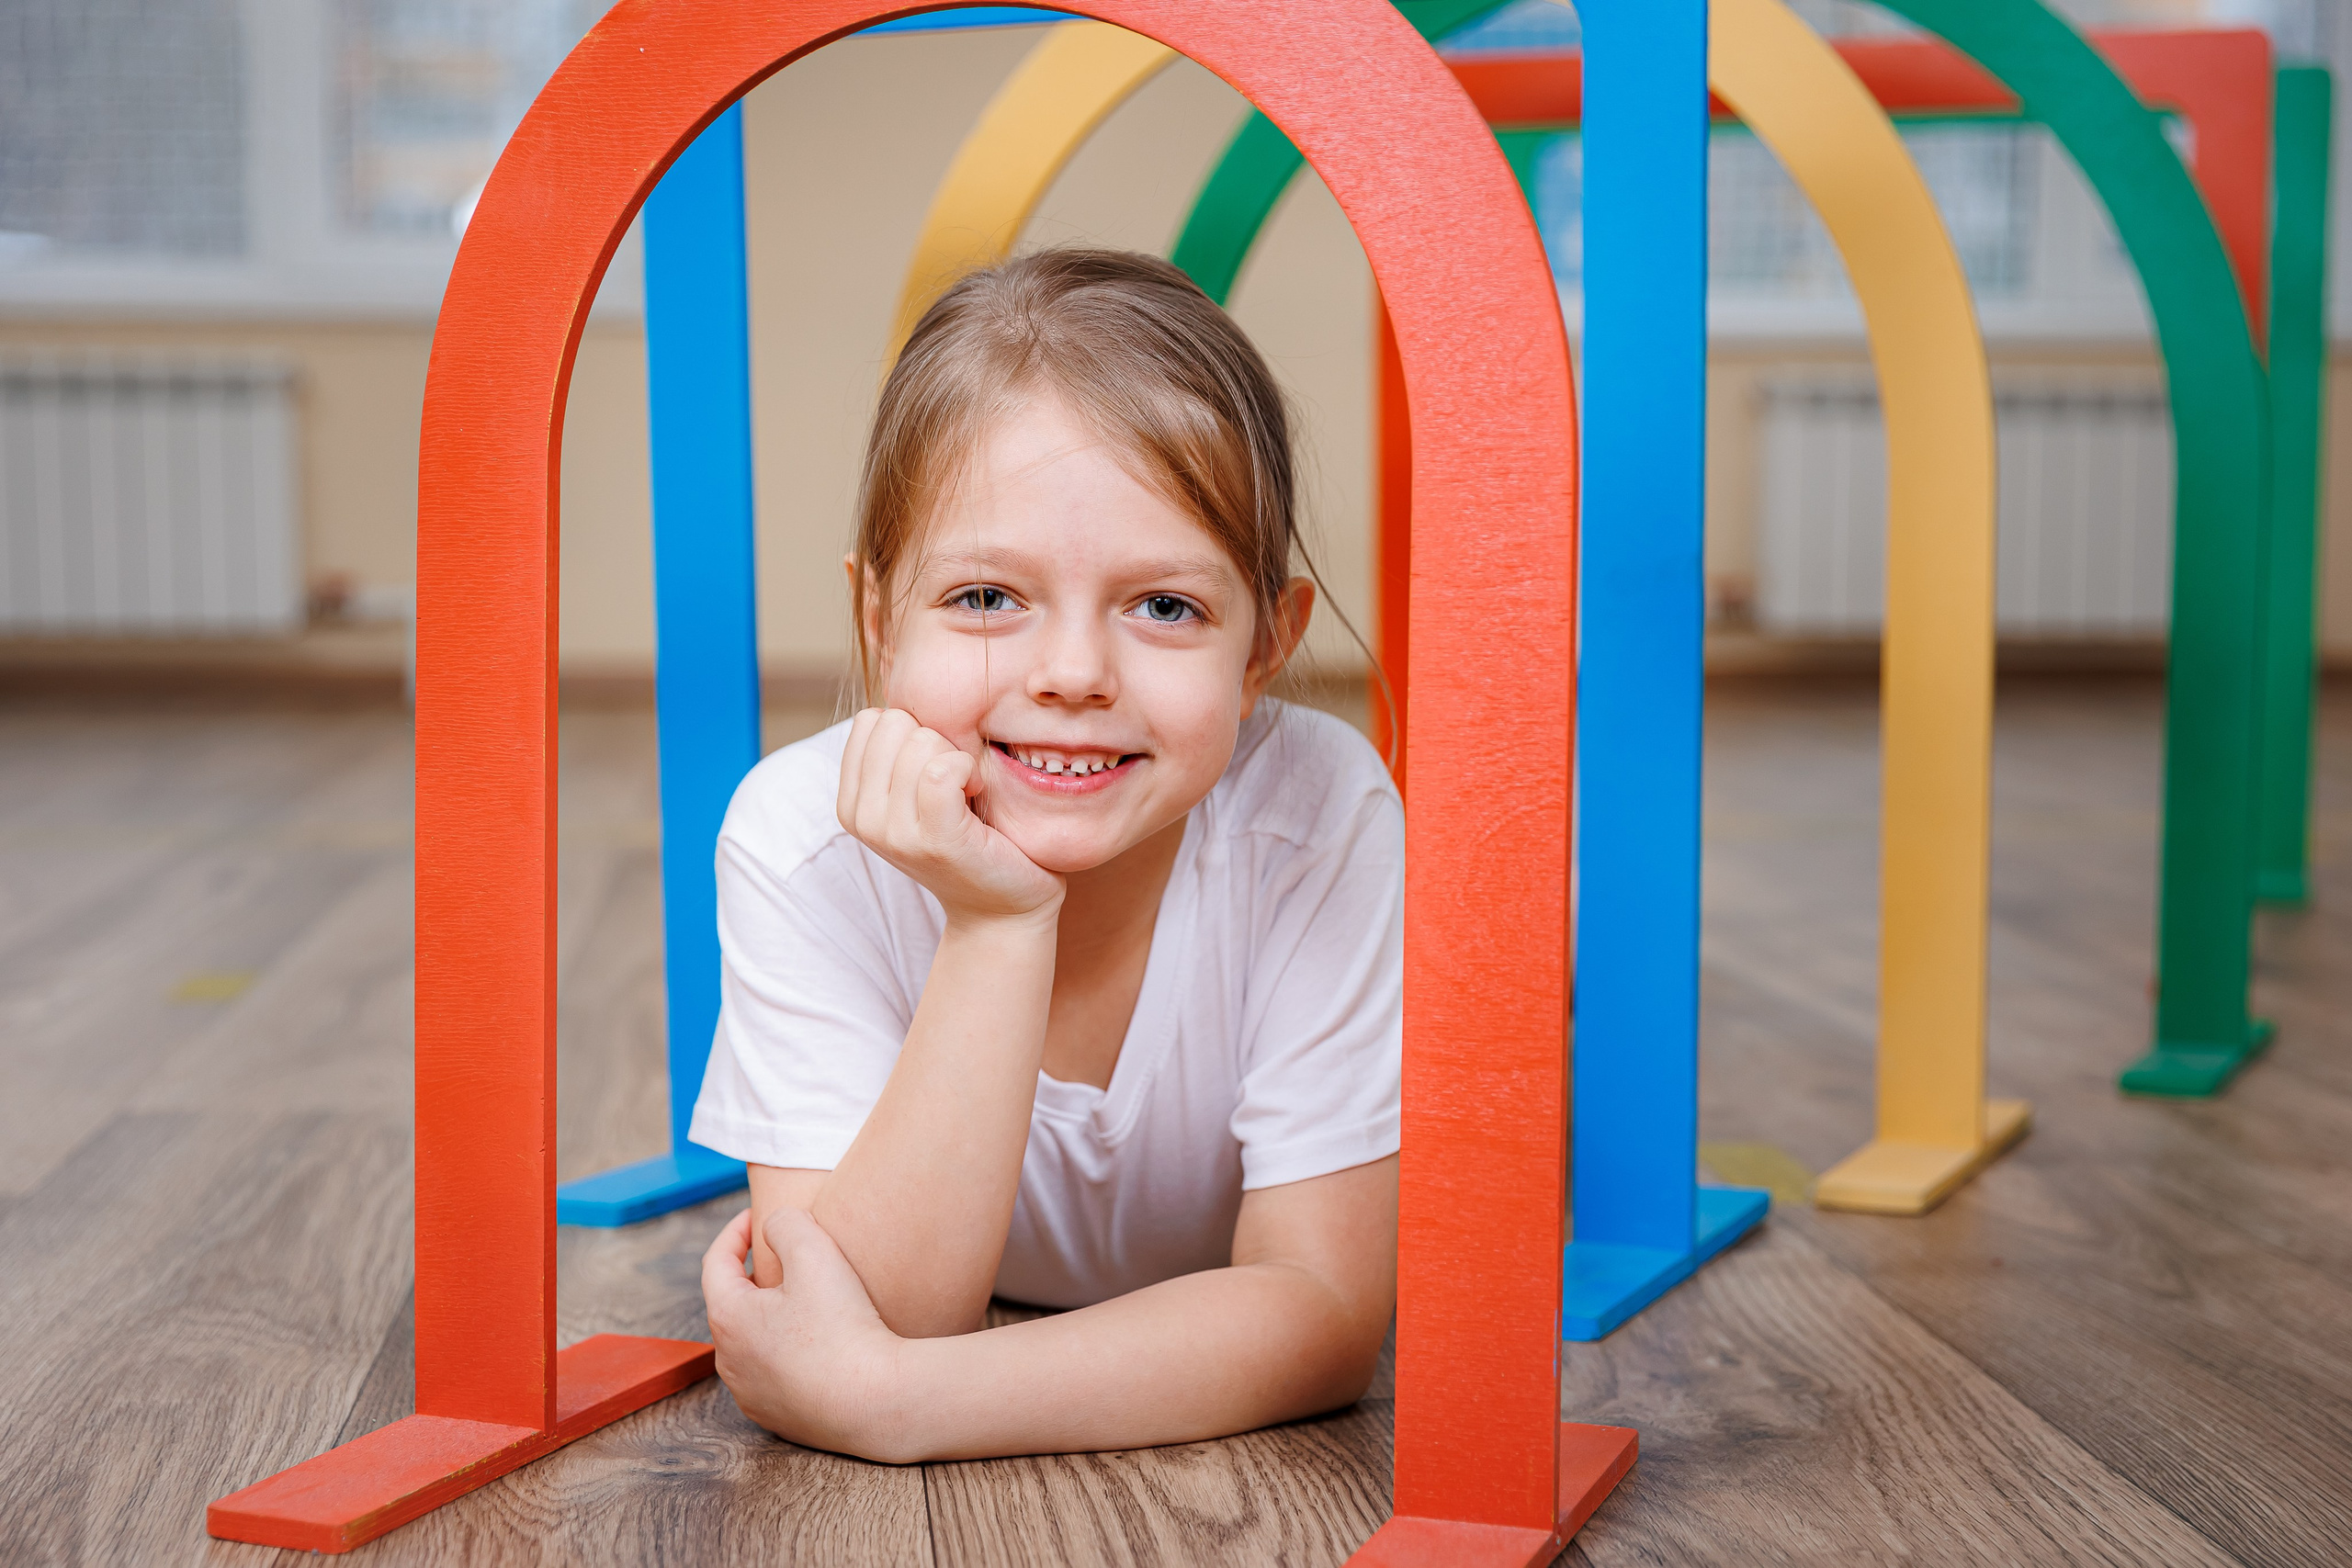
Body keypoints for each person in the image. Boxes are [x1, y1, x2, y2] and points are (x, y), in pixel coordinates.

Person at [693, 248, 1400, 1461]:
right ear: (877, 621)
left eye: (1165, 608)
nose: (1073, 673)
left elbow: (1326, 1312)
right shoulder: (799, 840)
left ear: (1264, 646)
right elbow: (878, 1311)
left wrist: (899, 1404)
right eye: (984, 598)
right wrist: (995, 923)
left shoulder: (1318, 812)